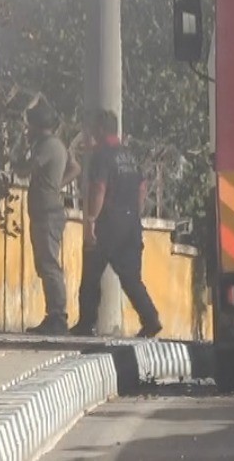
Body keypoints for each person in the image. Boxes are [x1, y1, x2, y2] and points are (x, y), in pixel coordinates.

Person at [71, 109, 163, 338]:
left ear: (100, 130)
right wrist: (134, 212)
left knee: (91, 276)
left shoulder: (101, 156)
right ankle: (151, 319)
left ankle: (86, 324)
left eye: (92, 128)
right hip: (131, 224)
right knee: (131, 277)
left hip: (108, 224)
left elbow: (99, 188)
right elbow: (142, 187)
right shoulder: (129, 155)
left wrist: (91, 219)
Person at [17, 100, 81, 335]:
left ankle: (57, 316)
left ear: (37, 125)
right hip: (48, 209)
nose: (27, 130)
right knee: (46, 263)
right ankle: (54, 314)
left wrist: (18, 151)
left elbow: (24, 170)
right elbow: (75, 168)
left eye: (29, 125)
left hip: (46, 212)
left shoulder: (45, 146)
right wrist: (56, 185)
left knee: (49, 264)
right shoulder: (59, 144)